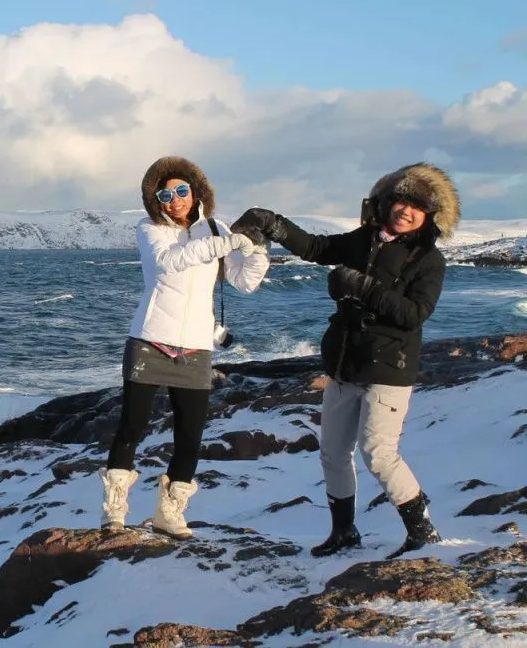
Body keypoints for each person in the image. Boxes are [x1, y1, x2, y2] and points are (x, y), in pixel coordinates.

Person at [231, 162, 461, 559]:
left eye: (417, 207)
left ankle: (421, 531)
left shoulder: (428, 260)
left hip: (389, 368)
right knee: (333, 452)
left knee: (379, 453)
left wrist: (364, 287)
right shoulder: (364, 239)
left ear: (428, 215)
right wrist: (275, 224)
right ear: (386, 203)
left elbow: (414, 314)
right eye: (401, 202)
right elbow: (317, 248)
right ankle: (343, 532)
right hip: (345, 363)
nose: (406, 211)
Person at [100, 156, 270, 539]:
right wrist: (224, 243)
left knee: (190, 435)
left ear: (196, 192)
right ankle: (114, 509)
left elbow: (243, 282)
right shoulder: (150, 229)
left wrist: (256, 252)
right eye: (166, 194)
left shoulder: (215, 229)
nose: (175, 199)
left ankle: (170, 513)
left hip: (196, 345)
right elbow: (169, 263)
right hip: (150, 339)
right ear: (156, 199)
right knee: (132, 427)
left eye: (181, 191)